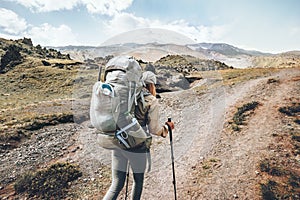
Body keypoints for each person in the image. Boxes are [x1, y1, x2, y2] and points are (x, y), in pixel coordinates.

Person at [103, 71, 174, 200]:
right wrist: (167, 128)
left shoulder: (126, 95)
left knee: (116, 184)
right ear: (151, 84)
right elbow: (154, 129)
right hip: (138, 145)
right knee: (138, 181)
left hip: (119, 141)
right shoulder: (151, 100)